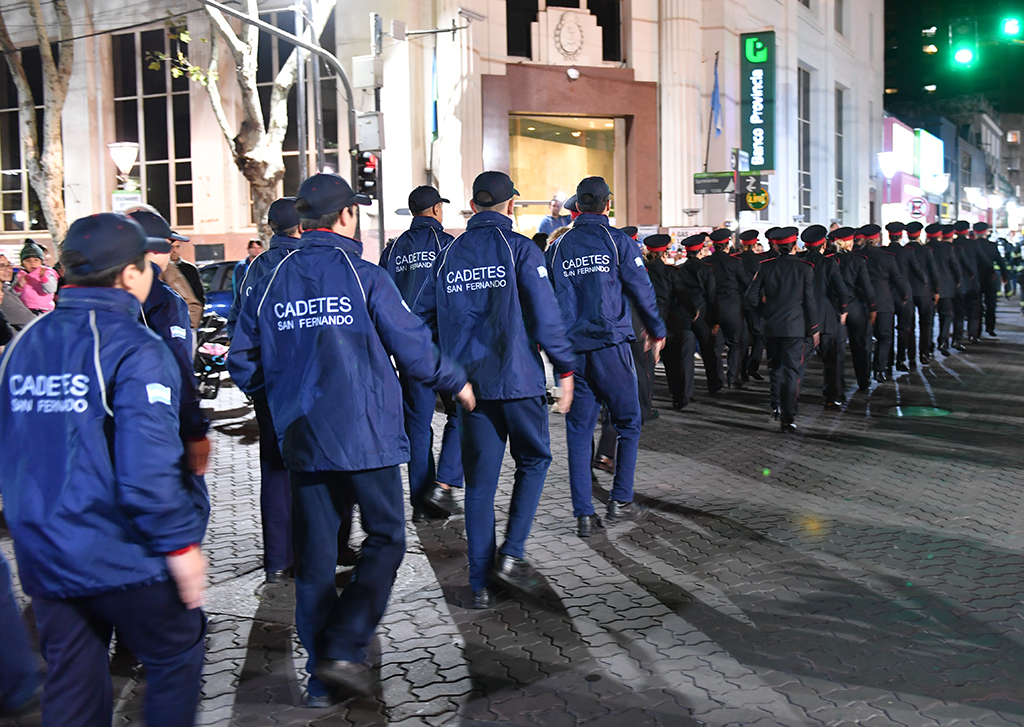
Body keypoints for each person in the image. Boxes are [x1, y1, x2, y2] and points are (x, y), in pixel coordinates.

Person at [229, 173, 474, 705]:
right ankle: (343, 645)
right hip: (366, 435)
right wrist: (456, 381)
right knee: (386, 538)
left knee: (315, 561)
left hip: (304, 438)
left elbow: (242, 359)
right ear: (345, 216)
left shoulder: (268, 277)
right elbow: (411, 346)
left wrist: (281, 402)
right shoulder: (365, 276)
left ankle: (321, 681)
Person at [0, 212, 209, 727]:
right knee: (177, 653)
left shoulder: (22, 345)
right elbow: (147, 467)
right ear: (130, 272)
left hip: (45, 554)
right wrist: (180, 546)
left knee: (72, 687)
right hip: (121, 554)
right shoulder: (136, 346)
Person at [414, 171, 575, 610]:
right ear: (510, 205)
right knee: (535, 461)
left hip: (470, 388)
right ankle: (512, 554)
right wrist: (564, 368)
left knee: (480, 486)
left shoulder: (448, 255)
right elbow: (546, 314)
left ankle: (480, 585)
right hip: (517, 380)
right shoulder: (519, 248)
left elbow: (418, 319)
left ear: (473, 206)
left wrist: (445, 369)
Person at [545, 176, 666, 538]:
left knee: (578, 433)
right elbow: (641, 289)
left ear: (578, 206)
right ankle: (621, 499)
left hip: (572, 352)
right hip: (610, 346)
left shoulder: (556, 248)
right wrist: (657, 330)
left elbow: (545, 299)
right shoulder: (617, 242)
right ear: (607, 205)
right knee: (629, 420)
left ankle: (584, 514)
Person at [226, 197, 305, 582]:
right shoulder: (305, 264)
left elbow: (236, 325)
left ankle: (277, 560)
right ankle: (319, 550)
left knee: (274, 468)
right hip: (304, 384)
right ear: (301, 226)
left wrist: (256, 384)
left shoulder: (255, 268)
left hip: (268, 385)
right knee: (319, 468)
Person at [379, 185, 465, 522]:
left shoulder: (393, 250)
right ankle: (442, 485)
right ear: (436, 210)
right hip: (444, 348)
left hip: (408, 350)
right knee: (462, 413)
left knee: (417, 426)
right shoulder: (448, 245)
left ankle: (421, 503)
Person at [128, 209, 211, 485]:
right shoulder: (163, 298)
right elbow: (178, 363)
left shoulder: (110, 290)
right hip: (160, 418)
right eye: (169, 245)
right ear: (156, 249)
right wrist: (194, 427)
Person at [744, 227, 818, 431]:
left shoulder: (766, 266)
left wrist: (765, 312)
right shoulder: (805, 268)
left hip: (771, 326)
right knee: (792, 371)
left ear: (776, 247)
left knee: (775, 368)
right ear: (794, 246)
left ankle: (776, 405)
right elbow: (809, 301)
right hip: (795, 327)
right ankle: (788, 416)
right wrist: (814, 328)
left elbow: (750, 297)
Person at [645, 234, 699, 410]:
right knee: (674, 363)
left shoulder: (642, 271)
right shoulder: (670, 272)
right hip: (669, 321)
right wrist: (693, 311)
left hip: (646, 321)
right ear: (665, 253)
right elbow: (682, 294)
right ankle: (678, 398)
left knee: (646, 365)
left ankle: (645, 401)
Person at [799, 225, 849, 406]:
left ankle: (792, 397)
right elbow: (841, 289)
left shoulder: (799, 262)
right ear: (823, 245)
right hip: (826, 318)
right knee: (830, 362)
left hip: (804, 318)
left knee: (800, 362)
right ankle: (831, 397)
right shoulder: (829, 263)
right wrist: (843, 309)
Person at [854, 224, 909, 383]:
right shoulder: (887, 257)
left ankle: (864, 374)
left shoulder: (856, 256)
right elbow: (898, 279)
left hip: (862, 301)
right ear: (877, 238)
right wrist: (904, 295)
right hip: (883, 301)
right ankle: (879, 369)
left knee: (863, 339)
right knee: (884, 337)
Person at [829, 227, 876, 391]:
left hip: (835, 307)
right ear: (850, 243)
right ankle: (864, 380)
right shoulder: (858, 260)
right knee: (861, 345)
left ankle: (837, 387)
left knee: (838, 349)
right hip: (855, 306)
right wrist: (873, 307)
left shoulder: (830, 260)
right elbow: (867, 286)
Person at [677, 233, 722, 395]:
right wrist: (716, 319)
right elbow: (711, 296)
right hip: (703, 314)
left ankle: (686, 390)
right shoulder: (707, 269)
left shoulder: (679, 270)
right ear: (700, 250)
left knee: (686, 354)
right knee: (708, 351)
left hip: (684, 313)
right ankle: (713, 385)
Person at [706, 228, 752, 389]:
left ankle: (717, 379)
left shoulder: (706, 262)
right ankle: (732, 378)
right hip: (732, 308)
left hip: (712, 308)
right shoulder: (735, 262)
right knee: (735, 344)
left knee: (715, 347)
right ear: (727, 245)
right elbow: (746, 283)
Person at [885, 222, 924, 373]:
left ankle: (888, 361)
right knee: (904, 328)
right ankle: (901, 359)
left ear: (889, 235)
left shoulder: (883, 252)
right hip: (904, 296)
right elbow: (917, 271)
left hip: (888, 295)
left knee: (888, 330)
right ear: (901, 235)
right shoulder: (908, 252)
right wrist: (924, 281)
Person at [902, 221, 939, 365]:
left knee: (909, 324)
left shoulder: (903, 250)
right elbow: (933, 271)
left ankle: (911, 355)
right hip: (924, 291)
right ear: (919, 234)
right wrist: (936, 290)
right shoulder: (926, 251)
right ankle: (924, 352)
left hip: (907, 292)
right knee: (926, 322)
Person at [926, 223, 963, 355]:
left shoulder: (925, 248)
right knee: (946, 316)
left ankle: (928, 345)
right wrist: (957, 281)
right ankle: (943, 341)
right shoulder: (946, 248)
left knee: (929, 319)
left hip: (929, 289)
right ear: (940, 235)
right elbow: (955, 267)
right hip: (946, 288)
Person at [735, 230, 766, 381]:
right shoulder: (761, 260)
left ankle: (742, 371)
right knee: (759, 335)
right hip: (755, 302)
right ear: (754, 244)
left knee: (743, 337)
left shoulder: (735, 259)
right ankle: (752, 366)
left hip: (737, 302)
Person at [973, 222, 1006, 336]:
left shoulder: (971, 245)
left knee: (976, 304)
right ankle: (990, 327)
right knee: (991, 304)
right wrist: (1004, 275)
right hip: (989, 278)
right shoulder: (992, 246)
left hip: (974, 279)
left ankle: (977, 330)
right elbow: (1000, 262)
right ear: (986, 232)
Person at [13, 241, 58, 315]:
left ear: (41, 261)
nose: (32, 263)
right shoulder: (20, 275)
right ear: (22, 263)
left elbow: (51, 289)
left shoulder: (47, 272)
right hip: (25, 311)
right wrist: (19, 287)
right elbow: (13, 295)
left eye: (36, 260)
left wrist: (43, 278)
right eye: (28, 261)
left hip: (44, 310)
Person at [169, 238, 205, 315]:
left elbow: (199, 294)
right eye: (171, 247)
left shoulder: (190, 269)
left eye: (177, 247)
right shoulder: (161, 268)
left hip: (188, 313)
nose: (174, 250)